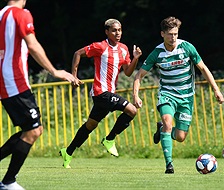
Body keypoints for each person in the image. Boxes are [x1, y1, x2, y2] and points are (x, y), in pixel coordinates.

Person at [133, 16, 224, 174]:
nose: (173, 37)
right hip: (167, 95)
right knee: (168, 123)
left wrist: (216, 89)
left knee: (181, 136)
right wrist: (136, 95)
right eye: (170, 34)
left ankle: (161, 129)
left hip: (186, 97)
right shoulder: (157, 53)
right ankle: (169, 165)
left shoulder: (187, 48)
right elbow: (139, 76)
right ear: (162, 34)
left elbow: (203, 68)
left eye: (175, 33)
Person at [0, 0, 75, 189]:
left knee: (34, 129)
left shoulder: (1, 15)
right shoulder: (21, 14)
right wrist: (55, 71)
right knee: (33, 130)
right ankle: (8, 182)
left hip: (7, 80)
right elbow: (32, 45)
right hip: (13, 81)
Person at [59, 18, 142, 168]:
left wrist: (135, 58)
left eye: (120, 30)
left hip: (108, 94)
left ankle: (68, 152)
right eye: (114, 30)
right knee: (132, 110)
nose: (118, 33)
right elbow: (78, 53)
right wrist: (74, 76)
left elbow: (128, 72)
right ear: (107, 32)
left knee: (90, 125)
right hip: (100, 92)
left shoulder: (124, 49)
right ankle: (109, 139)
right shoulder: (100, 46)